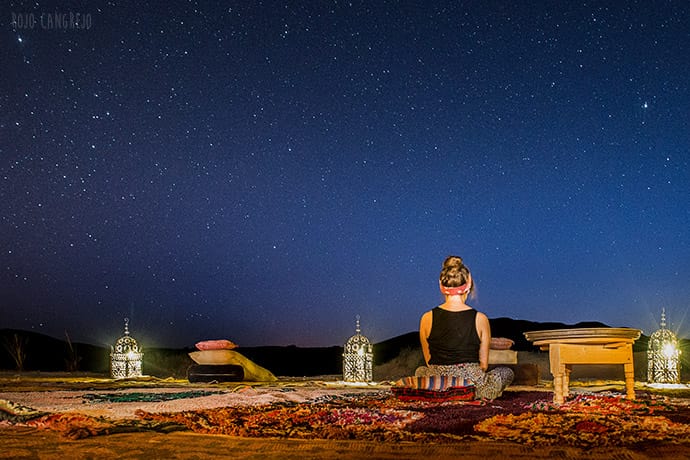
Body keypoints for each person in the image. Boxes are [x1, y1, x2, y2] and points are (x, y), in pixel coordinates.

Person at [416, 255, 514, 399]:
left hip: (438, 382)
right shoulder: (480, 318)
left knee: (420, 371)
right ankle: (473, 393)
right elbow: (483, 365)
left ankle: (442, 391)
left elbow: (429, 361)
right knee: (507, 372)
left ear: (441, 286)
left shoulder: (426, 318)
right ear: (468, 285)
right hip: (471, 383)